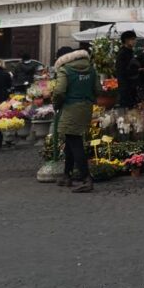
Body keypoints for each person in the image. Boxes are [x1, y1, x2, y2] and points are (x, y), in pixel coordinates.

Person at [52, 45, 96, 193]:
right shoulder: (90, 68)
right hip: (86, 107)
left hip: (70, 108)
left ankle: (86, 178)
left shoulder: (65, 70)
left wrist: (56, 104)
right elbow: (98, 90)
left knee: (75, 142)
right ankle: (67, 175)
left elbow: (59, 91)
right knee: (71, 139)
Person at [115, 30, 141, 108]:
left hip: (131, 87)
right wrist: (137, 70)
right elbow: (122, 70)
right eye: (132, 39)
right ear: (126, 40)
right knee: (127, 109)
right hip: (126, 87)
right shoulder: (123, 53)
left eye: (135, 39)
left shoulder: (130, 52)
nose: (135, 41)